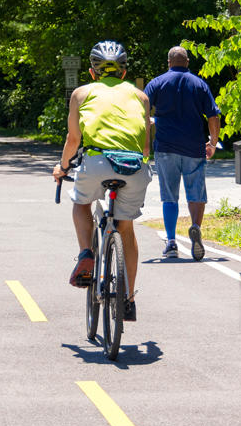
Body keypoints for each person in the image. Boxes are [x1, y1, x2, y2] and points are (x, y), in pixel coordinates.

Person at [52, 41, 151, 322]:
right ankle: (129, 298)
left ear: (93, 72)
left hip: (96, 163)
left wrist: (62, 167)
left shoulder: (81, 93)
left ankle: (86, 253)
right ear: (123, 72)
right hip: (134, 167)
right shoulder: (141, 97)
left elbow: (74, 140)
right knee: (126, 229)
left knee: (81, 203)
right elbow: (145, 148)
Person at [144, 46, 221, 260]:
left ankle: (171, 242)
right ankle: (195, 226)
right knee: (196, 193)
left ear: (169, 63)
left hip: (166, 147)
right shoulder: (199, 84)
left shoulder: (157, 83)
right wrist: (212, 143)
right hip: (194, 147)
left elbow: (142, 109)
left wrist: (147, 135)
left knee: (169, 196)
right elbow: (213, 117)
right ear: (187, 62)